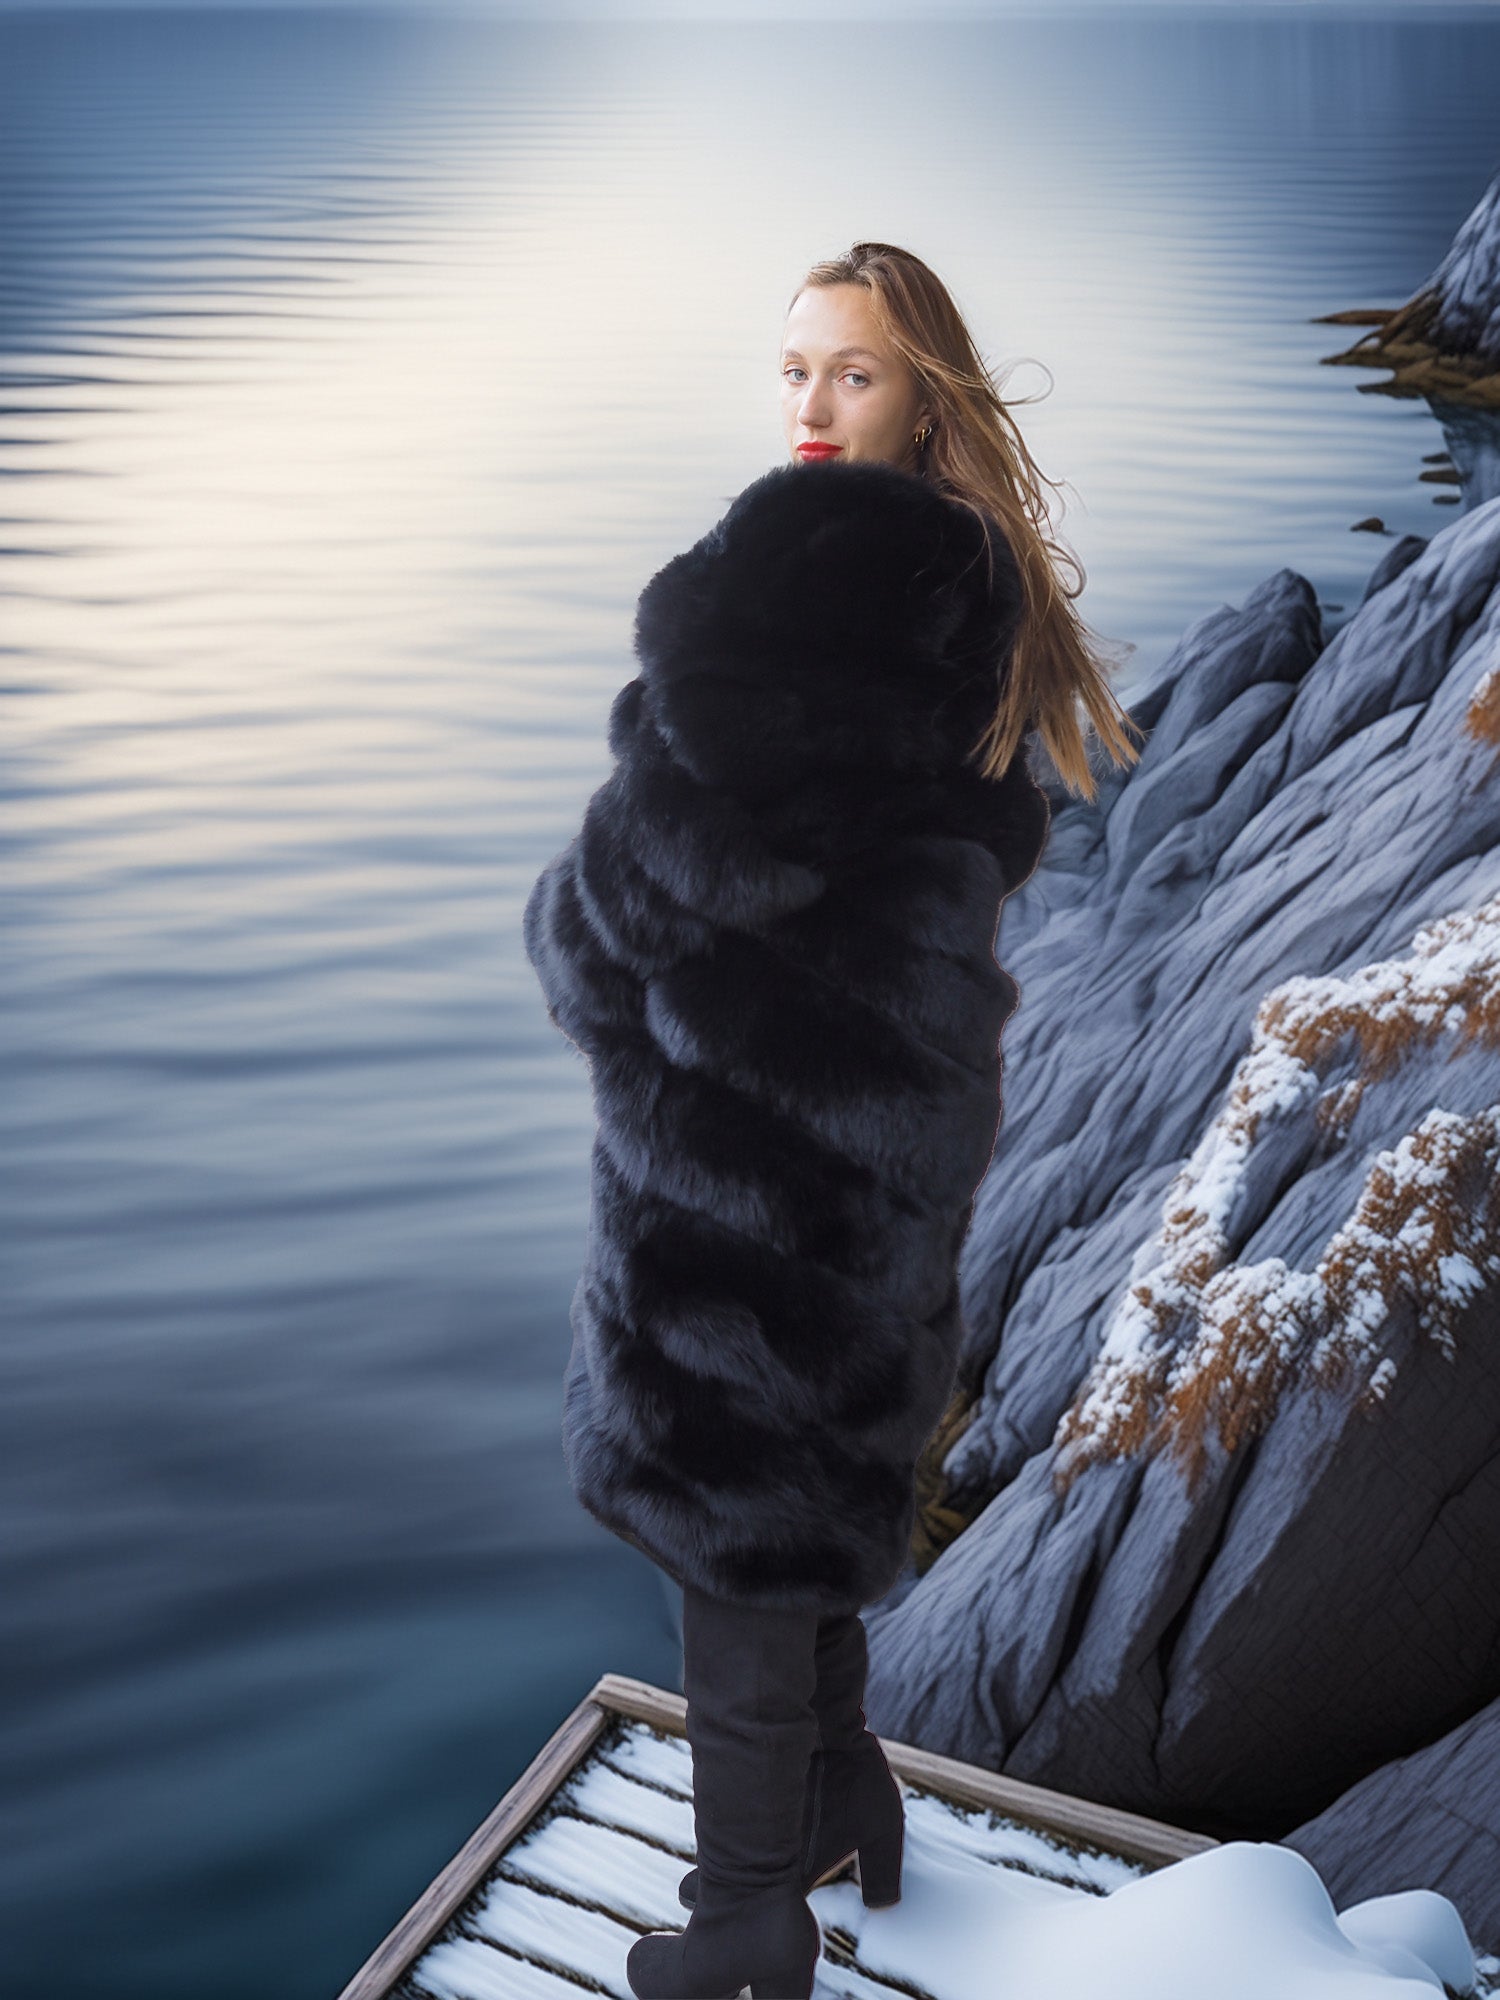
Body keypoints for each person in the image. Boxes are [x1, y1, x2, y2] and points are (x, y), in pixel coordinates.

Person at [522, 241, 1142, 1999]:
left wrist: (581, 955)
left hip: (755, 1147)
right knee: (819, 1481)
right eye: (792, 368)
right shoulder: (970, 589)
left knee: (731, 1510)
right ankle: (849, 1798)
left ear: (921, 391)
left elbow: (653, 877)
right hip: (894, 1129)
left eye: (850, 374)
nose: (806, 407)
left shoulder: (801, 590)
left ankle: (743, 1927)